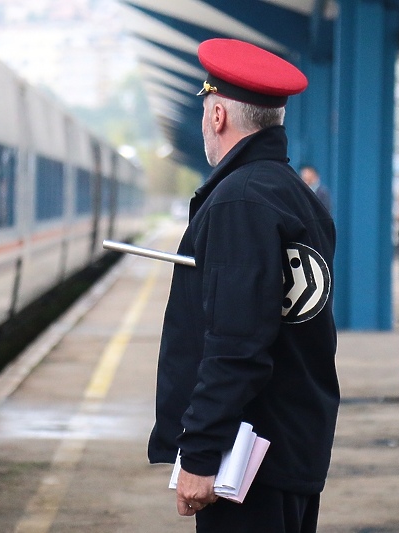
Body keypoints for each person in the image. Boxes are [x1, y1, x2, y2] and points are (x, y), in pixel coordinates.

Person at [147, 38, 339, 533]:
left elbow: (237, 343)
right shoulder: (297, 197)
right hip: (291, 452)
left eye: (206, 112)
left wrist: (201, 451)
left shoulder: (241, 202)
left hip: (246, 466)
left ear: (217, 117)